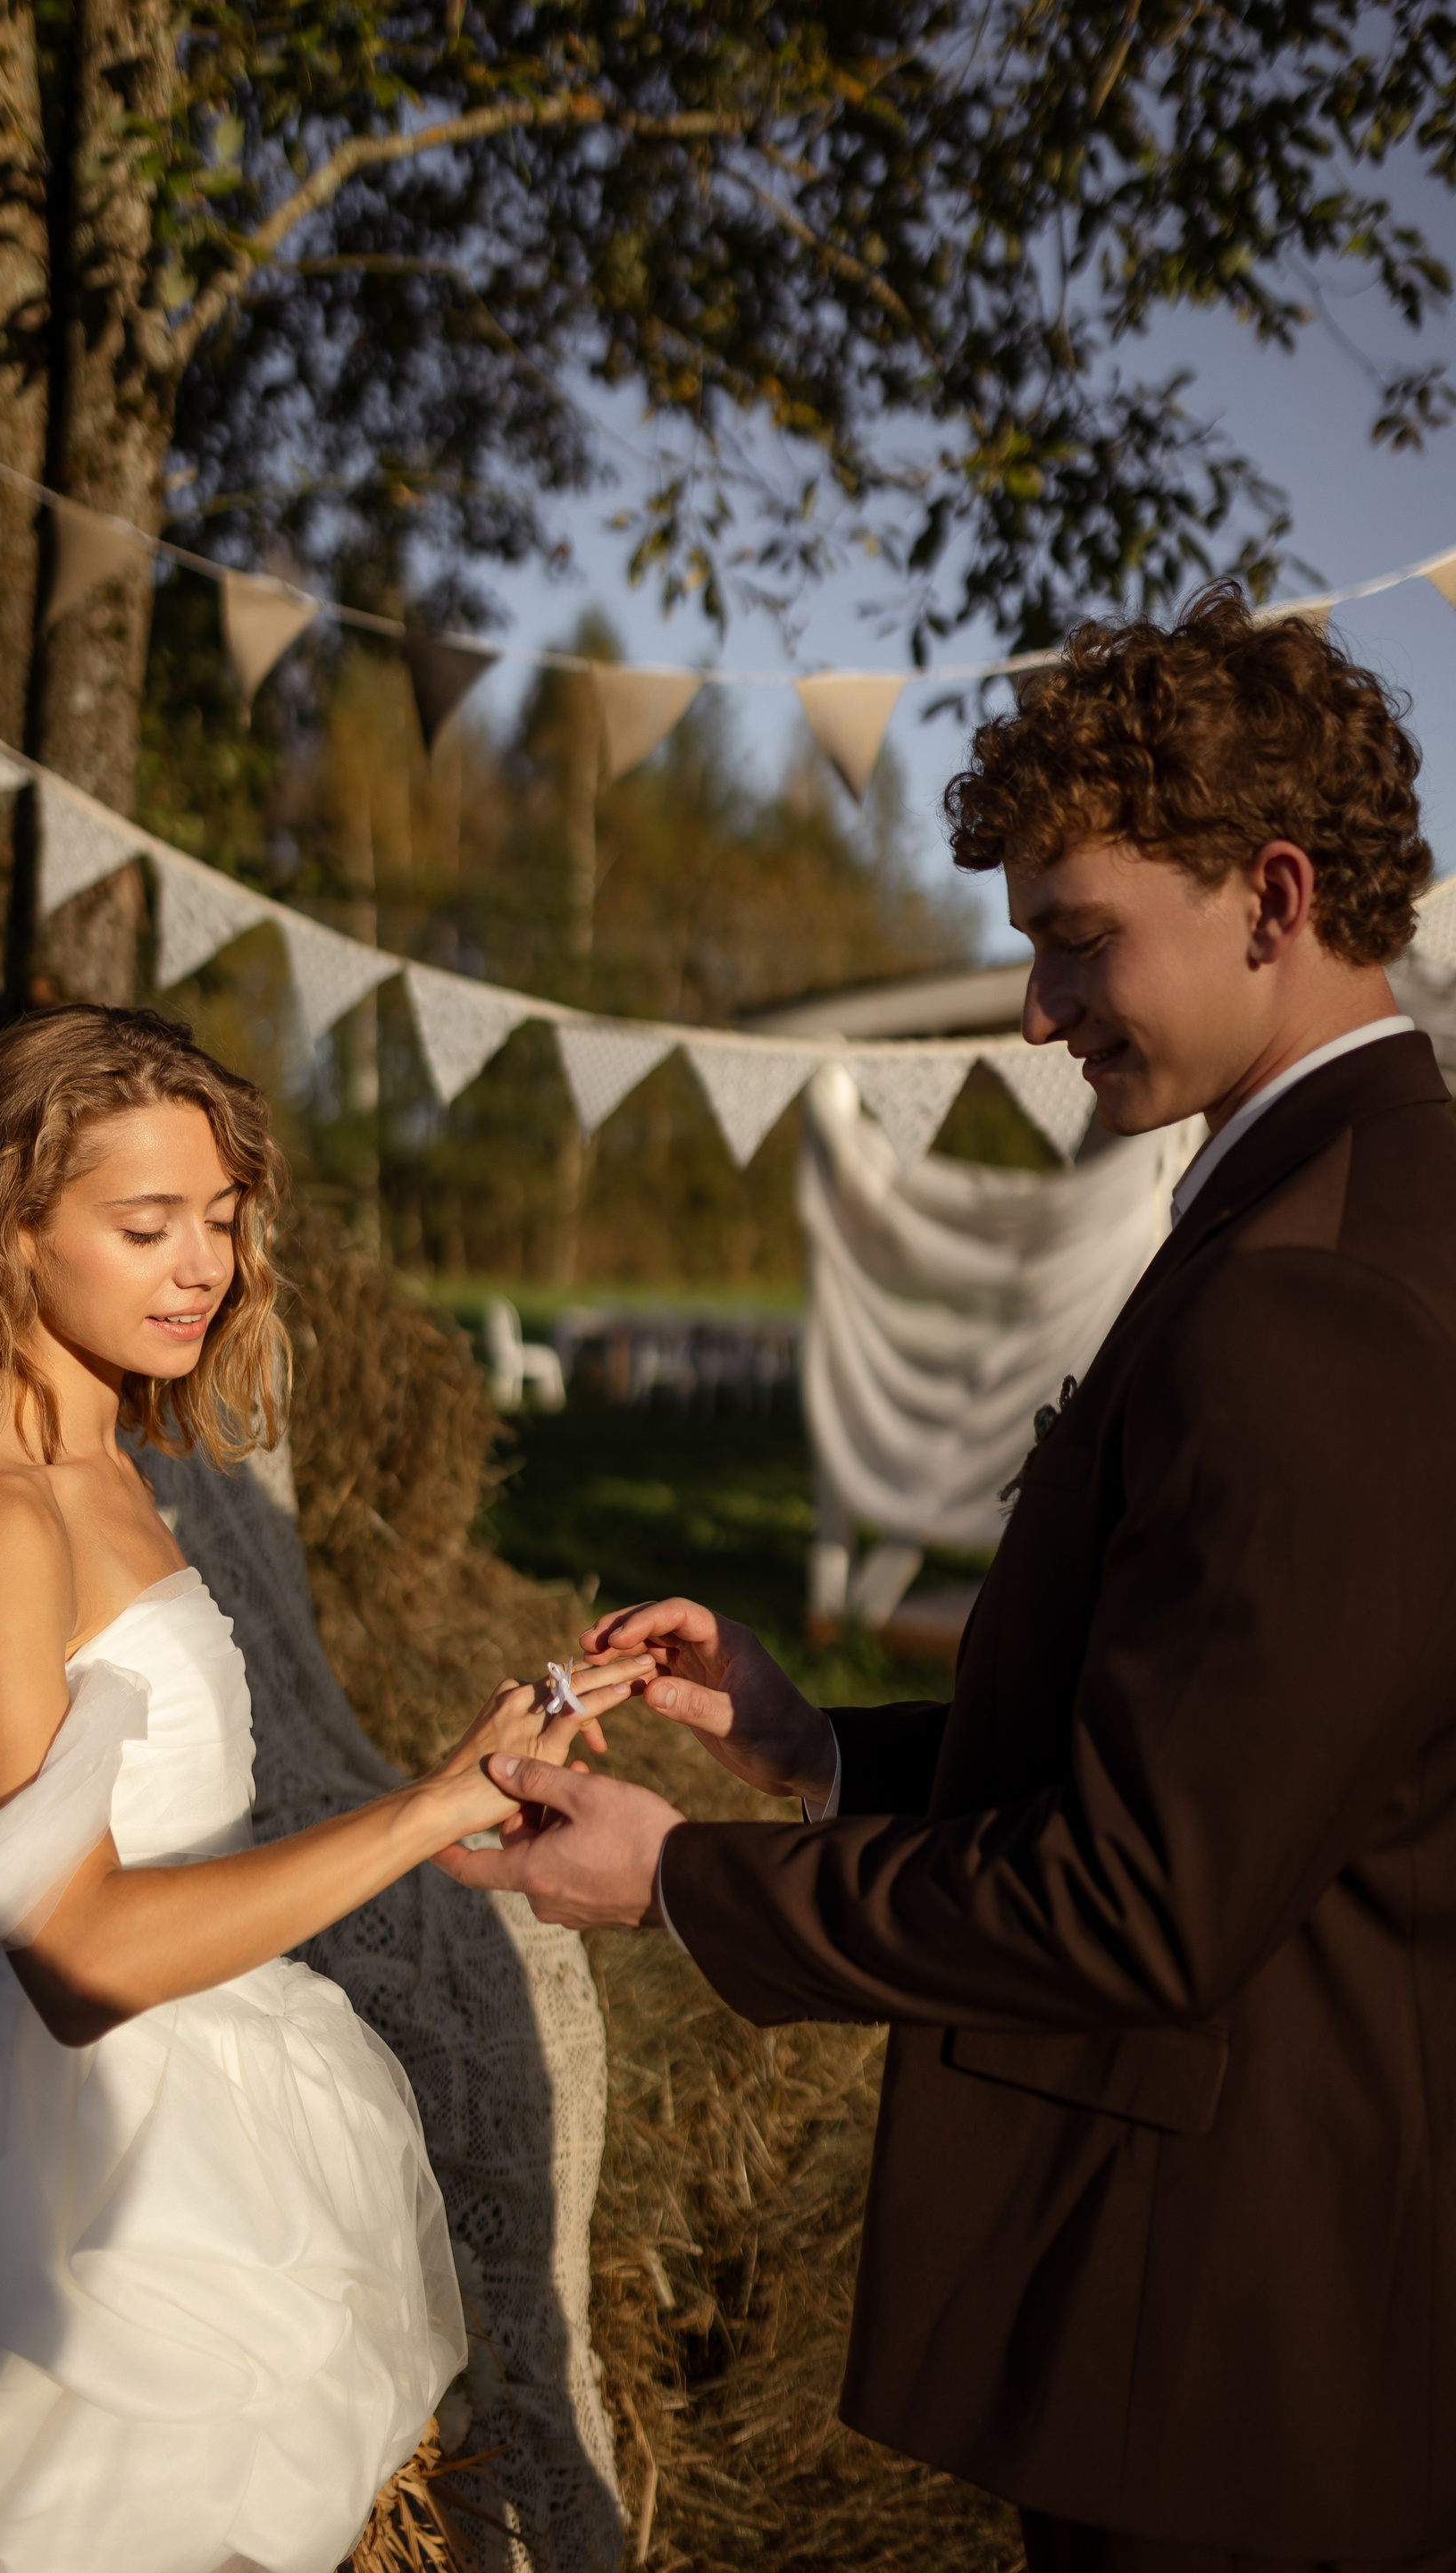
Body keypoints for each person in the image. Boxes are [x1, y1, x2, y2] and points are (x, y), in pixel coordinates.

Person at [443, 584, 1456, 2572]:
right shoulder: (1337, 1203)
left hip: (1246, 2349)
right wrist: (821, 1751)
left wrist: (679, 1881)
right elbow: (1209, 1744)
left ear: (1272, 897)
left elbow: (1148, 1902)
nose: (1038, 1012)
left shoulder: (1321, 1296)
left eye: (1079, 939)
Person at [0, 1003, 646, 2573]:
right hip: (96, 2209)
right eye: (146, 1225)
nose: (203, 1267)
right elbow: (81, 1960)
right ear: (7, 1231)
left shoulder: (110, 1465)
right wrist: (422, 1814)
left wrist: (468, 1772)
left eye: (222, 1219)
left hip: (227, 2129)